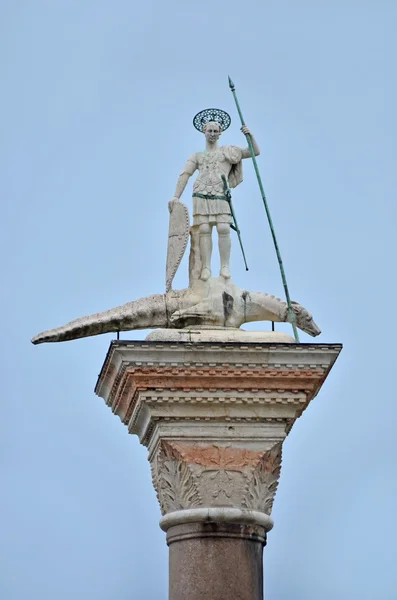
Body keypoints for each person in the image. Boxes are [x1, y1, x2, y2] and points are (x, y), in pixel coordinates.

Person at [169, 119, 260, 281]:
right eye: (209, 131)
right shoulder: (197, 156)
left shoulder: (228, 152)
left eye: (215, 131)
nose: (212, 134)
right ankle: (206, 267)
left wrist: (250, 135)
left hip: (220, 191)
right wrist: (176, 196)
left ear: (220, 133)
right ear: (204, 132)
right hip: (201, 192)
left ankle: (225, 266)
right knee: (204, 229)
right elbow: (185, 174)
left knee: (224, 227)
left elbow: (254, 152)